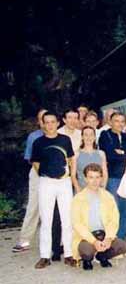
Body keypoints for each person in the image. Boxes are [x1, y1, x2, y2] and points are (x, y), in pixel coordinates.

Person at [31, 111, 77, 269]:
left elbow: (71, 159)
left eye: (53, 122)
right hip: (46, 183)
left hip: (64, 183)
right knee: (46, 220)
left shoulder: (65, 140)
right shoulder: (38, 142)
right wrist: (48, 175)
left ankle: (69, 254)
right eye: (47, 122)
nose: (50, 125)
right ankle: (45, 256)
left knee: (67, 219)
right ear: (42, 124)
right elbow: (36, 163)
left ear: (58, 123)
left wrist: (67, 176)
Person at [71, 163, 126, 270]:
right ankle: (87, 259)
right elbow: (77, 224)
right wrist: (93, 241)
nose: (94, 181)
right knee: (87, 252)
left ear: (101, 178)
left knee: (123, 246)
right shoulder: (78, 198)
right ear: (85, 179)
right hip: (87, 237)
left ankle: (102, 256)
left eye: (97, 177)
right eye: (91, 177)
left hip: (104, 234)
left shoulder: (108, 197)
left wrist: (108, 238)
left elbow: (114, 220)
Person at [13, 109, 46, 253]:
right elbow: (30, 158)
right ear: (39, 121)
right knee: (34, 206)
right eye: (41, 119)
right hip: (38, 173)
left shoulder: (60, 134)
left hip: (57, 175)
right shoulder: (34, 136)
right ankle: (24, 240)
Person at [98, 112, 126, 241]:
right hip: (113, 178)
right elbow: (109, 155)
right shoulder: (105, 135)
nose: (119, 124)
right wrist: (121, 154)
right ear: (110, 122)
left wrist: (120, 153)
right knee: (114, 211)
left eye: (121, 121)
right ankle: (111, 240)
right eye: (116, 121)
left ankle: (120, 239)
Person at [71, 126, 108, 193]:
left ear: (94, 137)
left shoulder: (101, 154)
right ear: (82, 137)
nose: (89, 137)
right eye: (86, 135)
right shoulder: (76, 154)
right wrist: (78, 189)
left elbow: (105, 174)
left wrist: (103, 188)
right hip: (81, 190)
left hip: (98, 190)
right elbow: (73, 175)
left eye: (91, 135)